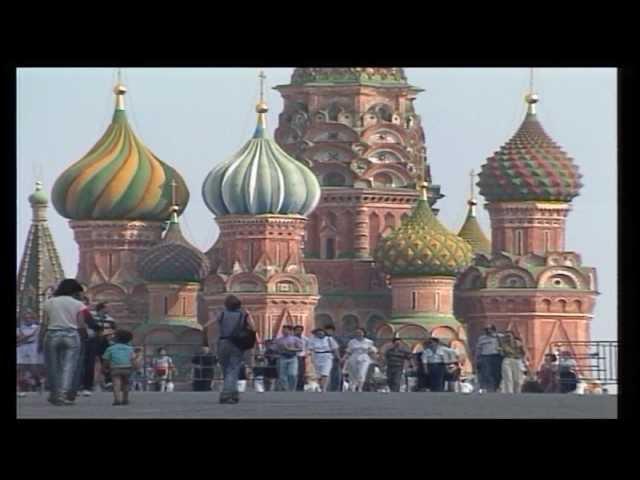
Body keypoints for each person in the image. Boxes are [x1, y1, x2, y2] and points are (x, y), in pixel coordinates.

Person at [37, 279, 89, 406]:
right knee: (69, 367)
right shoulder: (78, 304)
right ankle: (63, 395)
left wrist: (40, 340)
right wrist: (84, 338)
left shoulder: (49, 303)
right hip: (71, 335)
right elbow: (81, 325)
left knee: (53, 367)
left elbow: (44, 324)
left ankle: (55, 393)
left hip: (52, 335)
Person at [216, 295, 256, 404]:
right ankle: (227, 394)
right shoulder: (244, 314)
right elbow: (253, 327)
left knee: (226, 369)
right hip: (237, 344)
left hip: (223, 342)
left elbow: (217, 323)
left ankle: (233, 393)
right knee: (233, 369)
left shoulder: (222, 313)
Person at [102, 329, 141, 405]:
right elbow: (133, 359)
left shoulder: (110, 348)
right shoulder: (130, 349)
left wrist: (104, 368)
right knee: (126, 384)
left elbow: (106, 360)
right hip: (127, 368)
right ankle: (125, 399)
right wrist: (136, 367)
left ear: (116, 339)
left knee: (116, 384)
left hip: (115, 368)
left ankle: (117, 399)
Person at [17, 311, 45, 395]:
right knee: (21, 368)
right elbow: (19, 338)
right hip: (22, 348)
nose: (27, 319)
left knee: (33, 368)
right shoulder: (20, 328)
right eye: (26, 318)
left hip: (33, 347)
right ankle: (22, 389)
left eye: (29, 318)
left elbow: (40, 338)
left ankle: (38, 382)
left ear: (33, 319)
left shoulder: (37, 327)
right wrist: (23, 339)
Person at [306, 328, 340, 392]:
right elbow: (310, 349)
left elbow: (335, 348)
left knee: (325, 372)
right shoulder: (312, 340)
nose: (320, 334)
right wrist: (310, 357)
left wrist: (337, 356)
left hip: (327, 356)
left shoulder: (329, 339)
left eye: (321, 333)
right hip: (317, 356)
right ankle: (321, 385)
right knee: (319, 374)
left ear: (324, 333)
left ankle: (324, 387)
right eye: (318, 333)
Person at [344, 328, 377, 392]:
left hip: (364, 358)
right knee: (354, 373)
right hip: (354, 357)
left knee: (362, 373)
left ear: (363, 333)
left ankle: (360, 388)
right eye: (357, 332)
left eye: (360, 332)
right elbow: (348, 352)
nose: (358, 334)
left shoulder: (369, 342)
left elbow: (371, 351)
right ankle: (353, 386)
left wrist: (375, 358)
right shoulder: (352, 342)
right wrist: (343, 358)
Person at [92, 303, 117, 390]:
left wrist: (110, 336)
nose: (108, 309)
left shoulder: (110, 319)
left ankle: (108, 381)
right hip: (94, 341)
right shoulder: (93, 318)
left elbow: (114, 330)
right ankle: (92, 381)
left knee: (106, 360)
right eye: (107, 307)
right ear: (102, 308)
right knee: (92, 361)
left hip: (105, 342)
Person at [275, 325, 304, 392]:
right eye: (283, 330)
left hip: (292, 358)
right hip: (283, 357)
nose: (284, 331)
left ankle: (292, 388)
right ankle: (286, 389)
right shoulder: (279, 340)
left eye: (286, 330)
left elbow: (300, 349)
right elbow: (275, 348)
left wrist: (290, 349)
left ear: (290, 331)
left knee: (292, 374)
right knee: (282, 375)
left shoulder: (295, 339)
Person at [474, 325, 502, 392]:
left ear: (493, 330)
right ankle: (488, 388)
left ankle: (496, 387)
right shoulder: (482, 338)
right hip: (485, 356)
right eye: (486, 329)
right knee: (486, 372)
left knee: (496, 373)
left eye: (489, 329)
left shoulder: (499, 337)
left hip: (496, 356)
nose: (488, 331)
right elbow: (478, 348)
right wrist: (477, 358)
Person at [324, 325, 344, 391]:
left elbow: (341, 348)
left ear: (333, 331)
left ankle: (337, 389)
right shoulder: (324, 338)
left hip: (336, 358)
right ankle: (328, 388)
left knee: (337, 374)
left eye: (329, 330)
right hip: (327, 358)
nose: (328, 332)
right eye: (327, 330)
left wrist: (339, 357)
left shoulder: (337, 338)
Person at [293, 325, 309, 391]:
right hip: (293, 356)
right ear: (294, 331)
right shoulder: (291, 338)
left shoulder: (305, 339)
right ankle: (293, 386)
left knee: (301, 373)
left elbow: (308, 348)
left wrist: (306, 354)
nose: (298, 332)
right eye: (297, 330)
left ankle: (300, 387)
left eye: (300, 330)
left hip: (301, 357)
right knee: (293, 373)